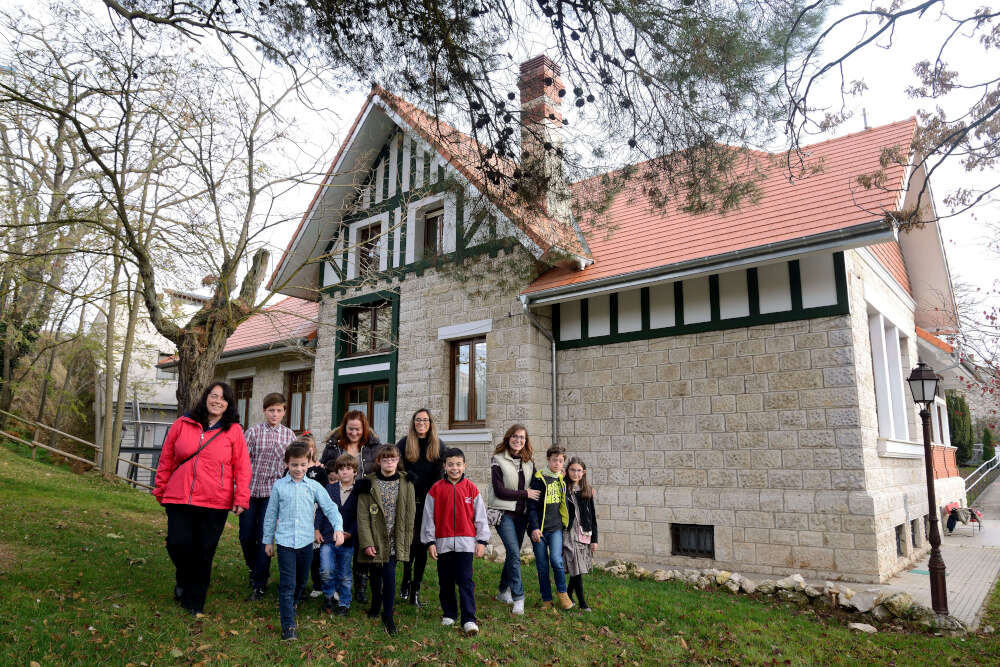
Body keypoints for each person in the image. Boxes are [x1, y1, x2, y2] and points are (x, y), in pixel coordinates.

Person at [152, 382, 251, 616]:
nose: (217, 401)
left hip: (214, 500)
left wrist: (241, 497)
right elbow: (166, 458)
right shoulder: (182, 424)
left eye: (223, 398)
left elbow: (243, 467)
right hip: (179, 496)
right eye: (213, 396)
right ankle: (184, 579)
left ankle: (194, 601)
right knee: (177, 544)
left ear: (228, 404)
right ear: (205, 398)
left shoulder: (234, 431)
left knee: (203, 552)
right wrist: (160, 488)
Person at [262, 441, 344, 641]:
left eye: (302, 465)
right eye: (294, 465)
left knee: (300, 581)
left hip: (306, 543)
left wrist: (338, 529)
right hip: (285, 543)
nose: (298, 469)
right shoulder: (279, 486)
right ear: (287, 464)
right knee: (287, 584)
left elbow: (330, 508)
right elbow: (271, 515)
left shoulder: (314, 486)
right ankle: (288, 626)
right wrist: (268, 541)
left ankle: (294, 601)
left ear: (309, 463)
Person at [422, 447, 491, 635]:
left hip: (466, 544)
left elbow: (481, 517)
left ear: (464, 466)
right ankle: (449, 613)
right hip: (443, 544)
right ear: (444, 466)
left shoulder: (471, 489)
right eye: (450, 464)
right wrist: (430, 542)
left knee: (465, 580)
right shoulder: (436, 490)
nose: (455, 468)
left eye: (458, 464)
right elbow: (428, 518)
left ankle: (469, 619)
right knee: (445, 581)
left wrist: (482, 541)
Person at [240, 392, 296, 601]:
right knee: (246, 535)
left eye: (278, 410)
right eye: (271, 410)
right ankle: (254, 567)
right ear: (264, 411)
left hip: (273, 494)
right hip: (250, 490)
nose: (274, 414)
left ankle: (259, 583)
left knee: (264, 536)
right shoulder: (253, 433)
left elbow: (294, 464)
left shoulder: (289, 436)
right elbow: (243, 461)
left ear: (284, 412)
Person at [321, 411, 381, 604]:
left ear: (364, 429)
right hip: (338, 497)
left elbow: (379, 471)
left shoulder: (372, 447)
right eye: (350, 429)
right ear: (344, 428)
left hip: (363, 499)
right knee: (338, 544)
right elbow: (324, 469)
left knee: (361, 541)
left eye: (358, 429)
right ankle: (335, 587)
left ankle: (361, 587)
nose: (354, 433)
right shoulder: (333, 447)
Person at [356, 444, 415, 636]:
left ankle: (388, 615)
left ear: (398, 461)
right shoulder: (368, 483)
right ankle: (375, 603)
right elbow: (363, 515)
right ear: (378, 461)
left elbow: (410, 512)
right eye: (385, 459)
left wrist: (406, 538)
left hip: (394, 537)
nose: (389, 462)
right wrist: (367, 542)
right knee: (375, 574)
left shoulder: (407, 482)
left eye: (393, 459)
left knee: (389, 576)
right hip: (374, 537)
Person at [487, 424, 539, 615]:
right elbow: (500, 491)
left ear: (526, 441)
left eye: (522, 438)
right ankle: (519, 598)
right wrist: (525, 493)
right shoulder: (498, 460)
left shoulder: (529, 462)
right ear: (508, 438)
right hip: (504, 514)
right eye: (515, 437)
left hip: (521, 515)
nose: (518, 440)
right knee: (515, 554)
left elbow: (537, 488)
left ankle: (502, 590)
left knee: (512, 554)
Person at [397, 408, 444, 608]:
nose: (421, 423)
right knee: (411, 544)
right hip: (409, 501)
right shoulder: (404, 443)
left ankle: (415, 588)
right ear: (413, 422)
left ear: (430, 423)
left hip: (429, 502)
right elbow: (396, 468)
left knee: (423, 544)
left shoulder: (438, 445)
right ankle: (406, 579)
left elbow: (444, 472)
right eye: (418, 420)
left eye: (425, 420)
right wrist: (407, 477)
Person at [527, 444, 573, 610]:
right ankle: (546, 599)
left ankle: (562, 593)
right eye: (554, 460)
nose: (557, 464)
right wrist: (533, 527)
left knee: (556, 560)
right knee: (542, 565)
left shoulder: (561, 479)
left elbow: (575, 483)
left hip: (555, 529)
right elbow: (531, 506)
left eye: (560, 461)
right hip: (539, 530)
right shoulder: (539, 479)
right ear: (548, 460)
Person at [316, 454, 358, 616]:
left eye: (348, 469)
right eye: (341, 469)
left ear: (354, 471)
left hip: (347, 540)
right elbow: (321, 509)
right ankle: (328, 596)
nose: (344, 472)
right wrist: (317, 529)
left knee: (345, 574)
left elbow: (359, 516)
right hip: (327, 537)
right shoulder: (330, 488)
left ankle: (344, 603)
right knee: (326, 570)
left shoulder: (358, 492)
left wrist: (351, 534)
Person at [563, 457, 598, 611]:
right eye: (572, 470)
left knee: (576, 568)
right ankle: (583, 604)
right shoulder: (562, 488)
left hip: (583, 532)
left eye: (578, 470)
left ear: (583, 473)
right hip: (568, 532)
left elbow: (592, 516)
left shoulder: (586, 491)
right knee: (576, 566)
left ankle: (568, 595)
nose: (575, 473)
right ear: (567, 470)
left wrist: (594, 539)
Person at [299, 432, 326, 597]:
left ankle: (318, 585)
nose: (307, 450)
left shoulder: (319, 470)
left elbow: (324, 496)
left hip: (314, 513)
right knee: (300, 552)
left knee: (316, 554)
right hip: (298, 513)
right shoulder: (292, 469)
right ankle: (299, 585)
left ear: (313, 449)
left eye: (310, 447)